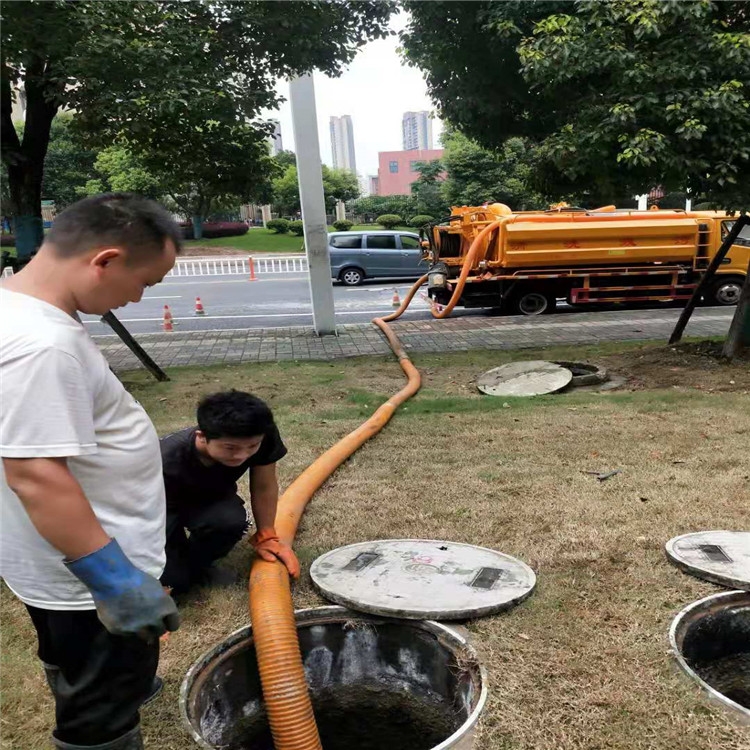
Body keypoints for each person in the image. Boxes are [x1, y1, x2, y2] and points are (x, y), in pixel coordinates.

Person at [0, 194, 182, 750]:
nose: (136, 298)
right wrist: (116, 581)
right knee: (98, 715)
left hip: (50, 565)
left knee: (75, 664)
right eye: (143, 283)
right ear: (104, 260)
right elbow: (34, 473)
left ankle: (91, 689)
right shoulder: (42, 345)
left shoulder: (15, 307)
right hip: (88, 578)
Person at [159, 390, 300, 595]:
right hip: (160, 508)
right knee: (175, 583)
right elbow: (134, 518)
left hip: (207, 497)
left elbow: (264, 486)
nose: (242, 455)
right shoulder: (163, 459)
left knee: (229, 521)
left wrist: (267, 536)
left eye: (251, 446)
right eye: (230, 448)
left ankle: (199, 566)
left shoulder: (260, 434)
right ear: (202, 437)